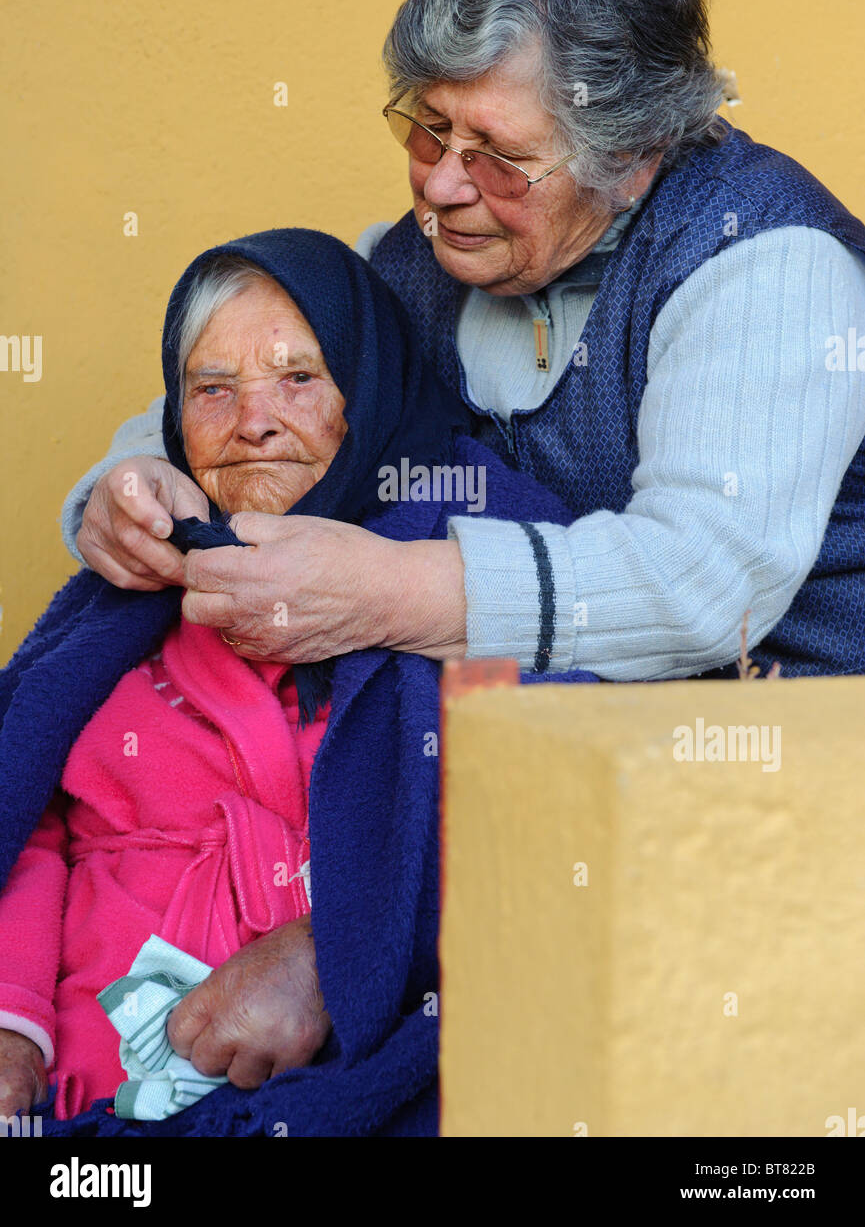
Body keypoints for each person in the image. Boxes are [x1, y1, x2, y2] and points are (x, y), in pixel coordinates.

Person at [62, 0, 865, 682]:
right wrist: (130, 486)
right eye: (429, 127)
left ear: (634, 154)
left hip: (797, 765)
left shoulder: (765, 262)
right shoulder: (411, 263)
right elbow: (241, 394)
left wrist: (390, 590)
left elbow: (699, 586)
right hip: (547, 767)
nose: (443, 187)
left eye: (498, 154)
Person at [0, 228, 596, 1136]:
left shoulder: (469, 562)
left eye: (299, 379)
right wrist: (14, 1029)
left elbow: (558, 828)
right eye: (212, 388)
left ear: (369, 388)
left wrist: (341, 953)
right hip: (78, 1103)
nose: (253, 422)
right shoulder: (131, 586)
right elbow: (23, 809)